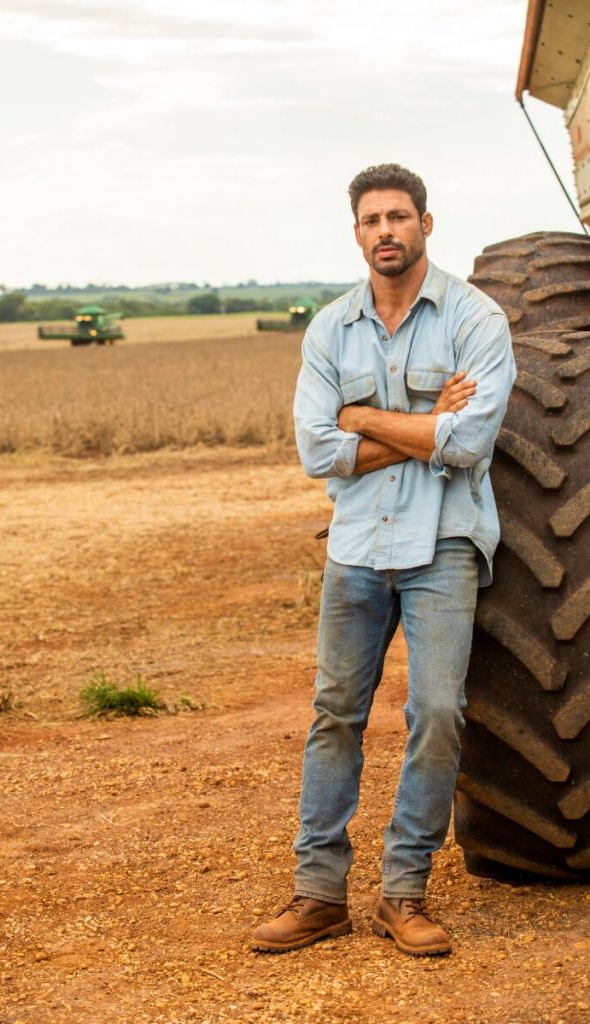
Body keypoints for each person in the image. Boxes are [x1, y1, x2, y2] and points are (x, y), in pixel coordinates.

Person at [252, 163, 516, 957]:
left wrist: (361, 418)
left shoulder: (476, 320)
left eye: (398, 217)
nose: (385, 232)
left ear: (425, 226)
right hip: (357, 548)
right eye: (371, 220)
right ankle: (318, 893)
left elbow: (466, 441)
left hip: (443, 543)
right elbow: (312, 449)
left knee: (436, 714)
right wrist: (414, 425)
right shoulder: (330, 328)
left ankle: (403, 894)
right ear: (357, 232)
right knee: (335, 715)